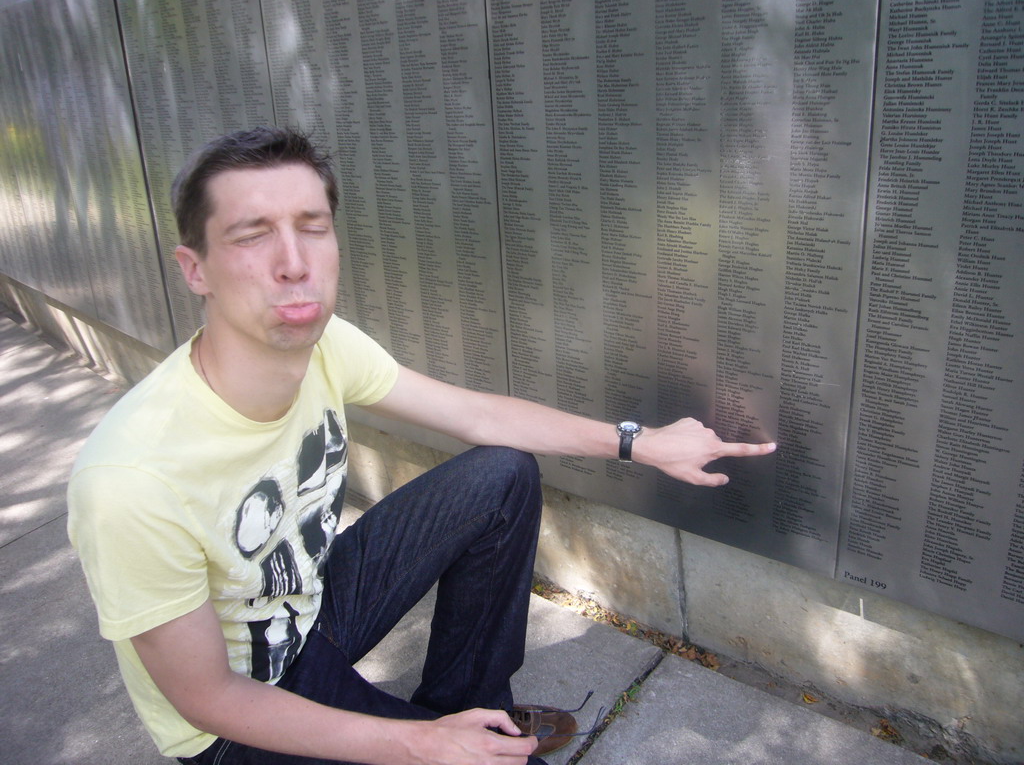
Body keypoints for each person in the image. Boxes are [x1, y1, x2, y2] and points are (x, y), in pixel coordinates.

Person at [67, 127, 776, 765]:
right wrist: (417, 745)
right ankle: (448, 739)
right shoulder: (130, 480)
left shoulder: (325, 347)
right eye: (252, 235)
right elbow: (209, 700)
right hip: (240, 720)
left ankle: (470, 712)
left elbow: (476, 415)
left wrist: (637, 442)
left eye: (312, 227)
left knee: (499, 477)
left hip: (312, 609)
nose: (293, 262)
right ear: (195, 269)